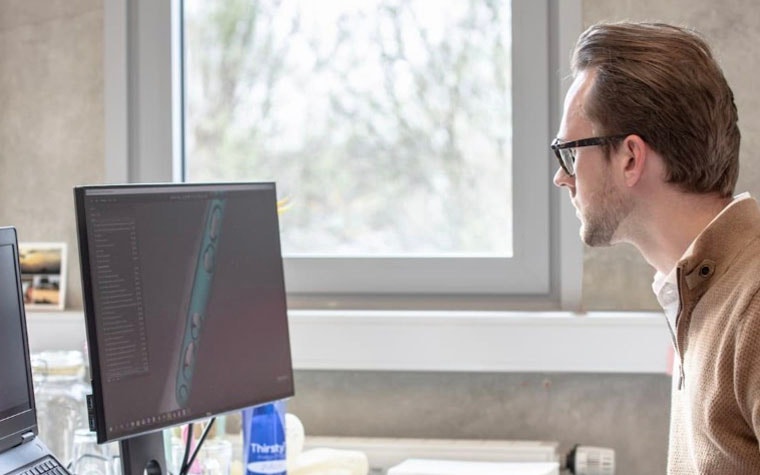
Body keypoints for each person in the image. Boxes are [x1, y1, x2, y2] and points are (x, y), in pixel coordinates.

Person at [552, 22, 760, 474]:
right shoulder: (700, 291)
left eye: (570, 152)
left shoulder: (754, 303)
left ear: (630, 157)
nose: (562, 177)